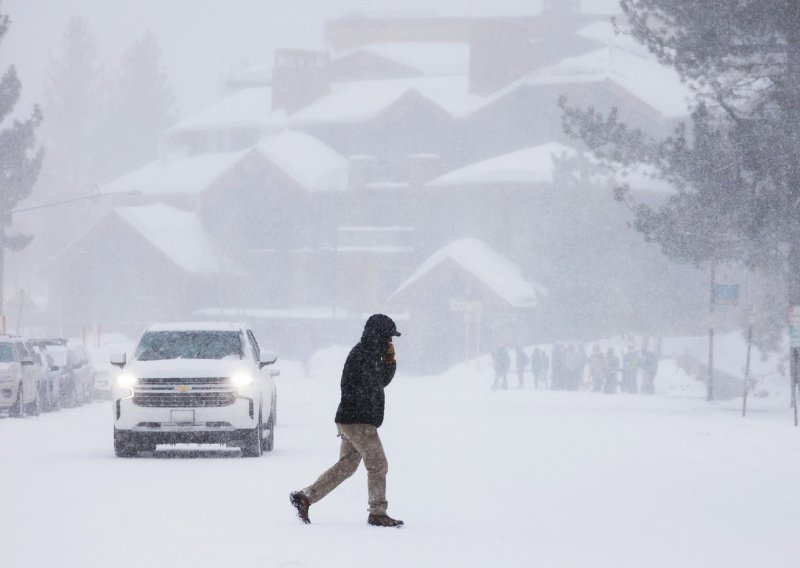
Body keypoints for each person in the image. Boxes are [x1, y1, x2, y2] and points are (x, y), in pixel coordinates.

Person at [290, 314, 404, 528]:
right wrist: (390, 362)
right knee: (378, 465)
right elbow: (380, 382)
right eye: (388, 337)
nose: (391, 341)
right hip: (359, 421)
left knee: (348, 466)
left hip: (350, 419)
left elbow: (376, 383)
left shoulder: (365, 352)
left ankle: (306, 497)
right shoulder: (365, 355)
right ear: (379, 335)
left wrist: (387, 361)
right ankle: (378, 512)